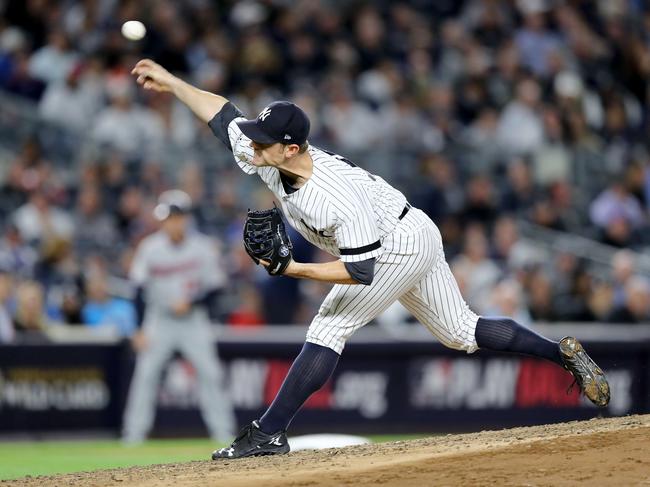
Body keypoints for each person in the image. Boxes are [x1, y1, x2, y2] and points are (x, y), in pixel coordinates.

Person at [131, 59, 610, 459]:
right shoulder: (270, 154)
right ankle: (560, 353)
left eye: (262, 141)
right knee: (460, 331)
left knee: (328, 328)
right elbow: (222, 115)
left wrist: (292, 269)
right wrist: (173, 83)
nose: (251, 145)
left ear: (291, 148)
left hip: (397, 243)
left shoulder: (332, 197)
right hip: (408, 227)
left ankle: (268, 433)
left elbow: (362, 271)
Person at [121, 189, 235, 444]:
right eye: (168, 218)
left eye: (176, 217)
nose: (172, 222)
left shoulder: (203, 248)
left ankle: (223, 433)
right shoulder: (150, 248)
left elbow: (216, 289)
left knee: (210, 374)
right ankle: (133, 436)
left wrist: (192, 302)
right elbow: (137, 290)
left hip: (193, 320)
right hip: (159, 319)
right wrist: (138, 328)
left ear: (185, 218)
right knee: (146, 375)